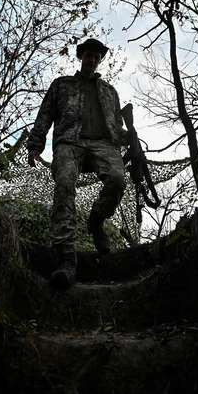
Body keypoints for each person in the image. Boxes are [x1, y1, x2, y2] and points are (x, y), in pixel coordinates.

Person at [26, 38, 128, 291]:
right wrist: (36, 144)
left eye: (97, 57)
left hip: (104, 144)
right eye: (88, 56)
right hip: (69, 143)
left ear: (100, 60)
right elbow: (45, 114)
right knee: (63, 185)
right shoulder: (62, 85)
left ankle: (96, 221)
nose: (92, 60)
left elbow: (116, 123)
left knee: (117, 179)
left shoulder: (109, 91)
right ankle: (66, 259)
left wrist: (128, 138)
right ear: (81, 57)